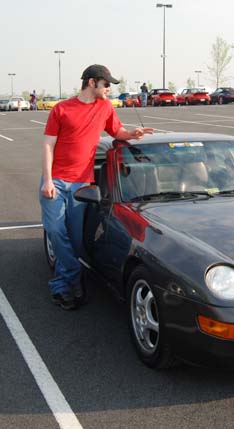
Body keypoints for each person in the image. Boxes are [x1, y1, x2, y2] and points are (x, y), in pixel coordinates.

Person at [40, 64, 153, 310]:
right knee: (56, 232)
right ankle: (73, 275)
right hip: (56, 182)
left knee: (75, 240)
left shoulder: (105, 107)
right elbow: (48, 145)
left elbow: (117, 131)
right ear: (92, 83)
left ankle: (63, 285)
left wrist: (132, 134)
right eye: (106, 84)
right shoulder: (62, 109)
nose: (109, 89)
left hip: (81, 184)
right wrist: (47, 180)